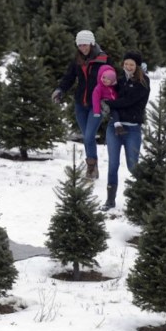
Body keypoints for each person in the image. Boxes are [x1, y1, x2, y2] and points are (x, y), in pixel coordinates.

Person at [52, 29, 110, 179]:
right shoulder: (77, 60)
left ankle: (91, 167)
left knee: (89, 136)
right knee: (86, 136)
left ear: (91, 43)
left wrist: (107, 99)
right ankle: (93, 167)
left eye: (85, 45)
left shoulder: (103, 59)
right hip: (80, 104)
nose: (82, 48)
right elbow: (69, 78)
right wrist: (60, 90)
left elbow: (111, 80)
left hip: (97, 104)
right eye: (80, 45)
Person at [101, 50, 150, 210]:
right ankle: (110, 200)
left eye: (132, 64)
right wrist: (111, 107)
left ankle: (144, 196)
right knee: (113, 165)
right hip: (114, 128)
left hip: (132, 130)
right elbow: (114, 100)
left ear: (137, 66)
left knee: (133, 165)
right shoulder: (119, 81)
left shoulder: (143, 82)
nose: (128, 66)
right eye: (126, 63)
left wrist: (109, 103)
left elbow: (129, 101)